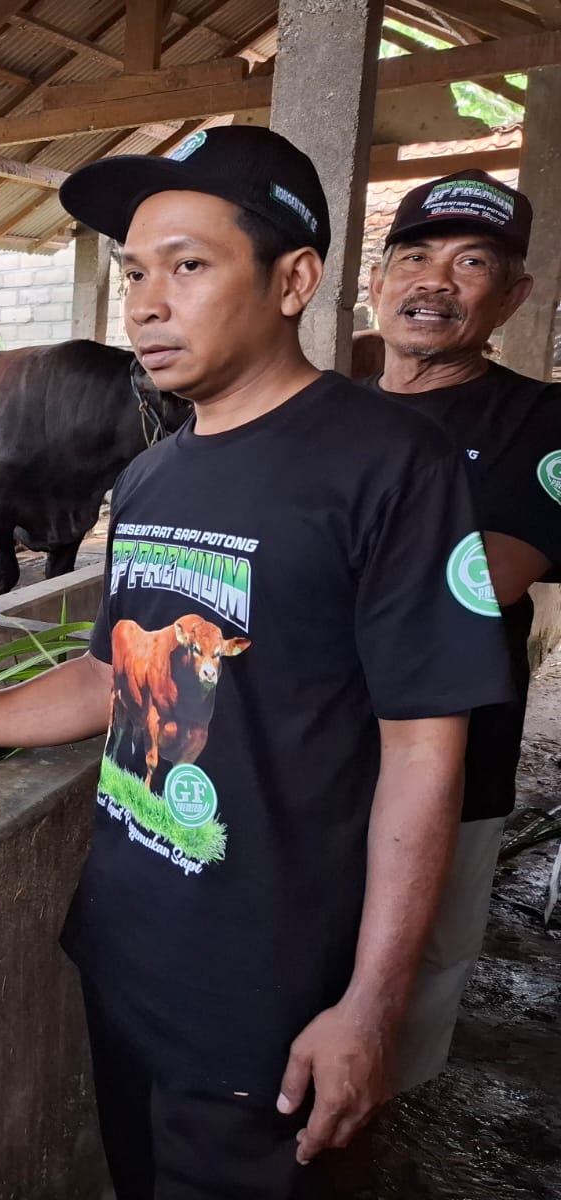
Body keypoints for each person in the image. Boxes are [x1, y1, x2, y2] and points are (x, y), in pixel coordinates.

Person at [0, 126, 511, 1199]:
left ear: (293, 280)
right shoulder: (150, 480)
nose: (147, 302)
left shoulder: (390, 465)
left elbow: (425, 750)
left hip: (274, 987)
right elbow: (108, 678)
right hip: (127, 951)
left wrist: (370, 1006)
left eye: (189, 266)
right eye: (136, 272)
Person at [363, 169, 561, 1092]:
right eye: (415, 255)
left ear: (513, 296)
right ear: (376, 280)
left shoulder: (542, 420)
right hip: (303, 756)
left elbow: (483, 581)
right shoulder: (322, 410)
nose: (434, 280)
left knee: (400, 1003)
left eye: (471, 261)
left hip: (455, 771)